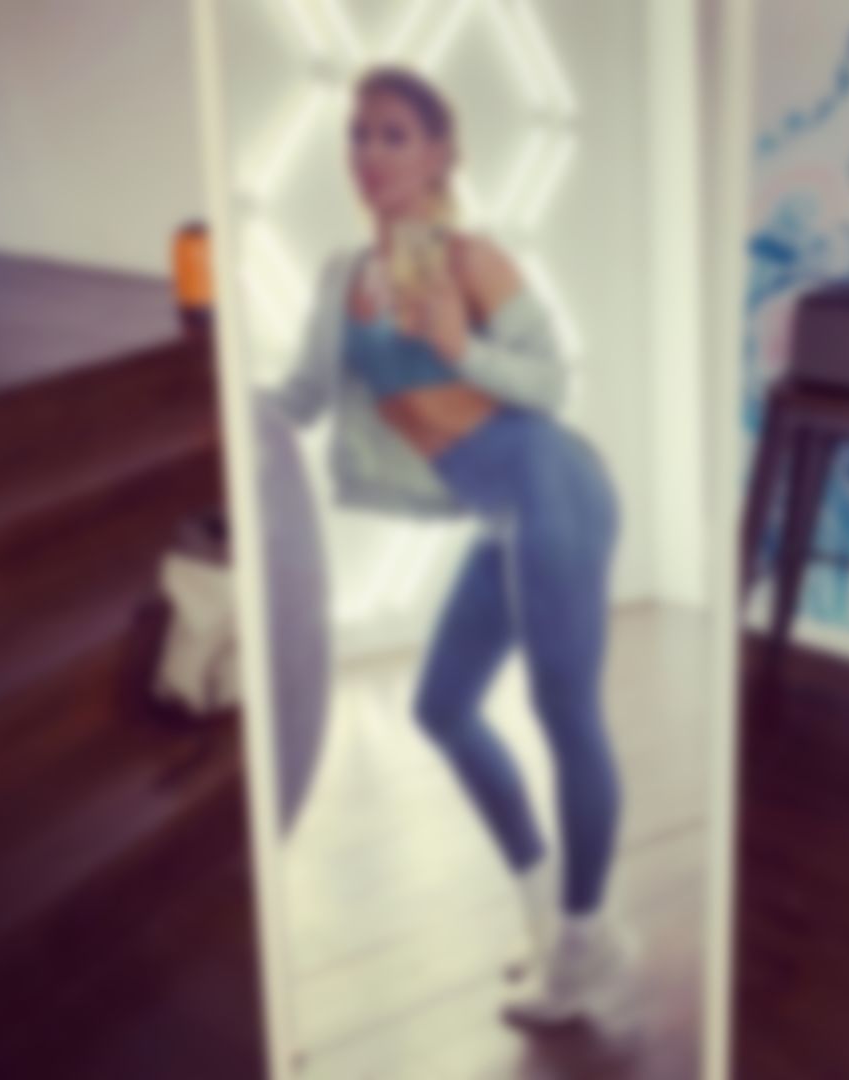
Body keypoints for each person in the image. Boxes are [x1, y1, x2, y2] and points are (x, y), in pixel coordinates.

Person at [261, 63, 638, 1028]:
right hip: (502, 514)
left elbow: (551, 384)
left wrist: (460, 346)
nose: (370, 152)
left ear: (436, 156)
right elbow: (299, 398)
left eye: (395, 134)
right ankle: (547, 915)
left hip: (554, 486)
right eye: (359, 133)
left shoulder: (469, 260)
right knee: (442, 707)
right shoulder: (344, 279)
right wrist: (223, 399)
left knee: (565, 712)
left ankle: (588, 947)